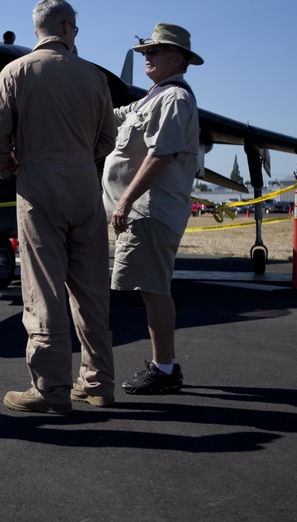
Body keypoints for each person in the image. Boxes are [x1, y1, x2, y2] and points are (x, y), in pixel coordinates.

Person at [0, 0, 117, 413]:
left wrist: (14, 166)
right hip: (84, 184)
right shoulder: (94, 76)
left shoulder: (15, 72)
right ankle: (98, 383)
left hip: (38, 185)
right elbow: (108, 139)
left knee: (43, 289)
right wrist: (78, 157)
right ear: (67, 26)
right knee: (91, 289)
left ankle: (51, 388)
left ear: (37, 28)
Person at [102, 23, 203, 395]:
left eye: (155, 51)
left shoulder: (173, 99)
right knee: (149, 288)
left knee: (153, 288)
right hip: (143, 212)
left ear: (178, 58)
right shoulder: (152, 97)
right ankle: (166, 365)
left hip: (150, 211)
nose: (147, 56)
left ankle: (164, 368)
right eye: (145, 51)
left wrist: (126, 200)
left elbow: (162, 155)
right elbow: (113, 116)